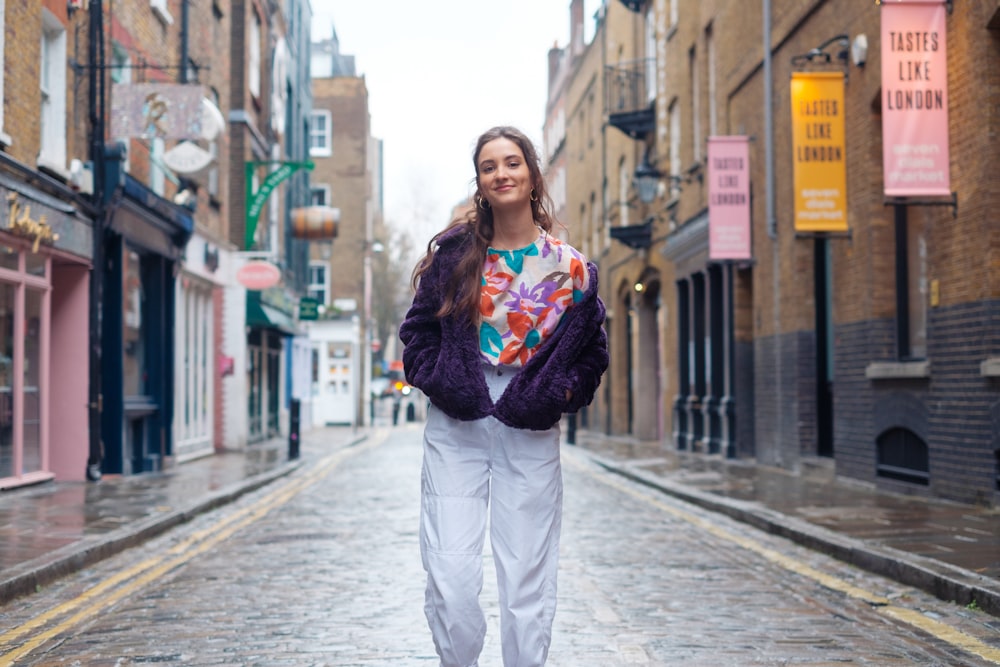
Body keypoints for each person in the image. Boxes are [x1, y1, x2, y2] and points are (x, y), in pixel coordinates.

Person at [399, 126, 609, 667]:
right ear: (480, 181)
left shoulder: (572, 268)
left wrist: (558, 392)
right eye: (489, 166)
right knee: (449, 576)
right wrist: (440, 380)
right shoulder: (455, 257)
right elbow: (418, 332)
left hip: (529, 421)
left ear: (532, 174)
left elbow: (591, 354)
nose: (502, 173)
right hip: (458, 420)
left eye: (512, 162)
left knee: (526, 577)